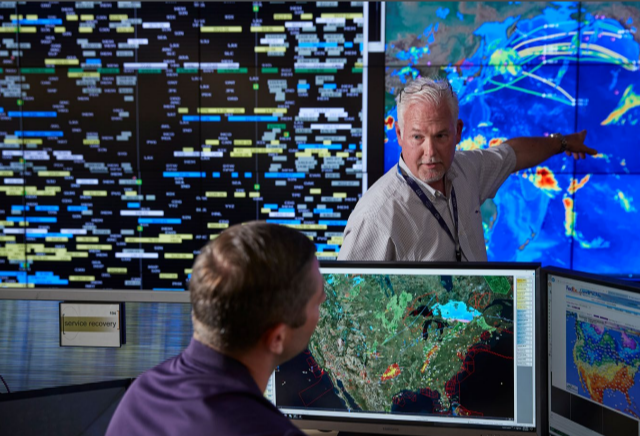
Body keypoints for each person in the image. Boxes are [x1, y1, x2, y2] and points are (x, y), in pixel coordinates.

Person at [338, 76, 597, 262]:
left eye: (441, 136)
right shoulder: (374, 217)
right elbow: (348, 313)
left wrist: (562, 143)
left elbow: (513, 153)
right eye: (417, 137)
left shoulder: (466, 170)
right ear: (399, 134)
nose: (430, 152)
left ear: (458, 132)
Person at [106, 221, 326, 436]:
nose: (324, 300)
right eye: (318, 301)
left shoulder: (141, 393)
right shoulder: (274, 431)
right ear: (277, 338)